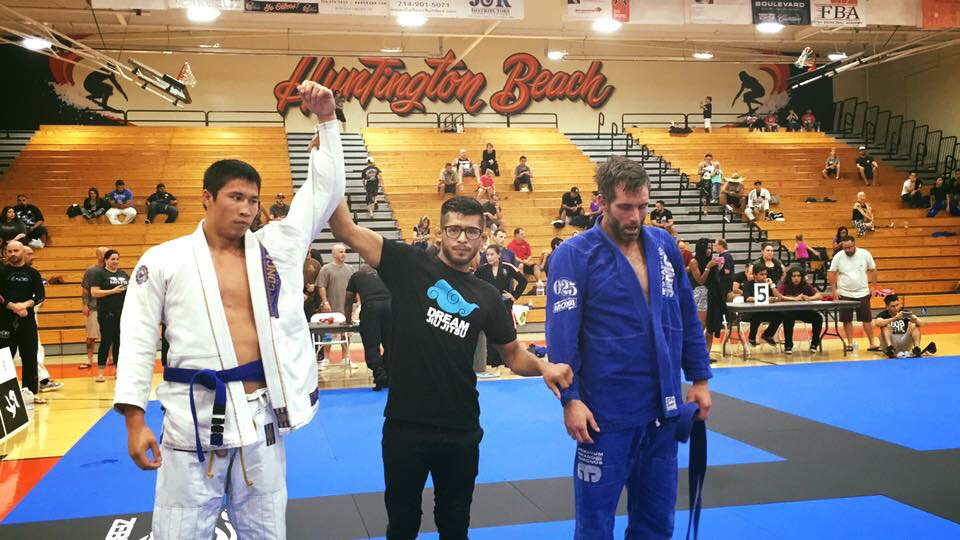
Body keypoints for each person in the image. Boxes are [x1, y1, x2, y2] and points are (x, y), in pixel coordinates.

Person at [114, 81, 345, 540]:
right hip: (192, 420)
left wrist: (327, 121)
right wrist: (135, 420)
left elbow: (323, 192)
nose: (246, 209)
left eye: (253, 200)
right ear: (207, 197)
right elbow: (137, 339)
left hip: (261, 417)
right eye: (235, 197)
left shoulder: (275, 247)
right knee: (179, 532)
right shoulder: (163, 260)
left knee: (266, 531)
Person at [326, 193, 572, 539]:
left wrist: (544, 367)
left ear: (483, 237)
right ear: (440, 232)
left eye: (471, 232)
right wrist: (328, 167)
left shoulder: (486, 296)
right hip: (405, 427)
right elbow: (345, 229)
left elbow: (513, 354)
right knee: (402, 525)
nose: (462, 239)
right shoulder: (408, 264)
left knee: (455, 526)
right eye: (454, 230)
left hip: (461, 429)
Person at [545, 155, 711, 539]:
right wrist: (570, 399)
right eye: (625, 207)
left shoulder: (663, 244)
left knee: (657, 524)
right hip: (604, 415)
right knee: (595, 526)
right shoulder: (574, 255)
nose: (635, 217)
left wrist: (700, 378)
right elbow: (562, 338)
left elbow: (685, 313)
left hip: (663, 408)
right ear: (602, 202)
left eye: (642, 206)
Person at [0, 240, 46, 405]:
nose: (13, 254)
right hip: (5, 322)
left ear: (23, 252)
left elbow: (40, 295)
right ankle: (4, 394)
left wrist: (25, 305)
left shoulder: (33, 273)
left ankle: (30, 393)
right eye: (10, 251)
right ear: (6, 253)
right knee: (4, 358)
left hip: (27, 322)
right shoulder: (2, 272)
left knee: (30, 357)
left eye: (16, 251)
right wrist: (13, 306)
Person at [475, 244, 528, 372]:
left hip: (505, 305)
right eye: (487, 255)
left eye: (492, 254)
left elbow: (523, 281)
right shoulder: (482, 270)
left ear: (499, 255)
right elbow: (472, 283)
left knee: (508, 332)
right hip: (489, 306)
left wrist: (514, 295)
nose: (489, 257)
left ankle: (510, 361)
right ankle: (494, 362)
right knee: (491, 333)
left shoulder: (508, 267)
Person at [828, 235, 880, 352]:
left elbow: (873, 270)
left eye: (849, 247)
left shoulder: (865, 254)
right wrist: (834, 291)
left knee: (867, 319)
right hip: (844, 292)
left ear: (854, 244)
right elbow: (831, 273)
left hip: (862, 292)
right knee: (847, 320)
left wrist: (873, 287)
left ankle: (872, 343)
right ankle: (850, 343)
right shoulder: (838, 256)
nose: (847, 250)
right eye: (845, 248)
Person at [344, 264, 392, 390]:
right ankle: (389, 373)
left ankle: (379, 373)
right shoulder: (385, 273)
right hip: (390, 305)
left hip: (371, 307)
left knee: (371, 343)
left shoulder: (356, 276)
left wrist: (348, 320)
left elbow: (348, 300)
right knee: (390, 343)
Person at [316, 243, 356, 368]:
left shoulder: (350, 269)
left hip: (346, 308)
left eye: (344, 252)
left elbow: (355, 287)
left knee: (346, 334)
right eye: (341, 252)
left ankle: (346, 358)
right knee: (328, 334)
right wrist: (325, 302)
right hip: (331, 308)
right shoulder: (326, 269)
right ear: (333, 254)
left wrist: (357, 303)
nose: (344, 254)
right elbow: (321, 286)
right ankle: (326, 358)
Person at [90, 249, 128, 383]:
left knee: (119, 341)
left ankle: (118, 370)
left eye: (117, 259)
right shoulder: (100, 274)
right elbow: (94, 292)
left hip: (121, 313)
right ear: (106, 260)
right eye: (112, 259)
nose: (115, 261)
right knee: (106, 341)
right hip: (106, 313)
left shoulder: (123, 274)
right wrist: (113, 291)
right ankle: (101, 372)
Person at [732, 263, 783, 347]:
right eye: (761, 274)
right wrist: (765, 299)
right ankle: (752, 337)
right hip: (750, 313)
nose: (764, 276)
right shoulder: (747, 284)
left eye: (765, 274)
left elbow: (779, 297)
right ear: (755, 275)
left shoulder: (767, 284)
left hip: (765, 312)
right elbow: (747, 298)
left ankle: (767, 334)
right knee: (756, 315)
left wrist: (772, 285)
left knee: (781, 314)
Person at [687, 238, 724, 355]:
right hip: (700, 294)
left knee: (711, 326)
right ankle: (695, 353)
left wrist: (719, 268)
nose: (709, 250)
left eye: (711, 248)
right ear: (701, 248)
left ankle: (707, 354)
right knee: (701, 325)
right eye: (707, 248)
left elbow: (716, 279)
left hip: (713, 294)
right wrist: (708, 267)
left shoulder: (711, 260)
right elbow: (700, 281)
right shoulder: (694, 262)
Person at [776, 266, 823, 354]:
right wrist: (794, 298)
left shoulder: (806, 285)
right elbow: (778, 296)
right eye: (794, 276)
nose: (796, 278)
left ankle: (814, 344)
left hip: (803, 311)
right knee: (787, 318)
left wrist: (809, 298)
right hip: (789, 311)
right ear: (790, 277)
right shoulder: (784, 285)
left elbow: (819, 295)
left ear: (801, 277)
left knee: (818, 318)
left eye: (798, 276)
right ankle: (788, 346)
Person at [80, 247, 108, 370]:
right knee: (91, 336)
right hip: (94, 306)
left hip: (109, 306)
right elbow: (85, 289)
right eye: (103, 253)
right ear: (98, 255)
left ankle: (110, 357)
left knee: (110, 335)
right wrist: (85, 304)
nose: (105, 255)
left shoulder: (112, 270)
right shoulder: (91, 271)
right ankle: (89, 358)